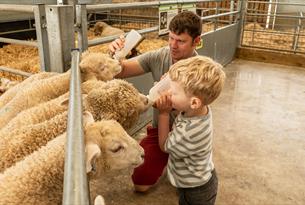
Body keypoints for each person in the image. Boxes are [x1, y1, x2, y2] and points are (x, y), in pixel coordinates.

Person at [108, 11, 202, 192]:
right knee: (141, 183)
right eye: (171, 38)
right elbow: (121, 71)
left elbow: (199, 111)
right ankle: (166, 156)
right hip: (159, 130)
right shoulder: (160, 56)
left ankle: (180, 157)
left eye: (181, 41)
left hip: (187, 133)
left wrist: (169, 106)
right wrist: (114, 54)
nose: (173, 46)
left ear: (196, 41)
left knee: (190, 185)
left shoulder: (200, 70)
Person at [156, 56, 226, 205]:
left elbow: (164, 145)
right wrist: (171, 82)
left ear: (194, 102)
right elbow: (184, 106)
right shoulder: (200, 110)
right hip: (199, 179)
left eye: (173, 92)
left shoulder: (188, 134)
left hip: (196, 189)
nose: (168, 93)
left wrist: (163, 114)